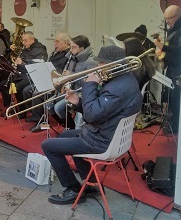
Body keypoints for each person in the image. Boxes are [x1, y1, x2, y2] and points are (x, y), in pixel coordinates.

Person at [41, 45, 142, 205]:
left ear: (114, 64)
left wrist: (90, 85)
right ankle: (92, 184)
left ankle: (73, 189)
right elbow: (100, 111)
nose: (98, 67)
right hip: (107, 132)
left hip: (102, 140)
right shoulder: (125, 79)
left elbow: (92, 115)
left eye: (101, 63)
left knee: (48, 145)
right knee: (66, 136)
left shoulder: (117, 88)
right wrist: (78, 102)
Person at [23, 32, 71, 130]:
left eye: (57, 41)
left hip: (58, 84)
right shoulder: (57, 52)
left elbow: (63, 72)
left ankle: (41, 121)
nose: (54, 43)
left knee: (37, 94)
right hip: (49, 79)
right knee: (27, 90)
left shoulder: (68, 56)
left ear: (65, 43)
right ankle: (35, 115)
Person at [52, 35, 97, 128]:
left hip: (81, 93)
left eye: (73, 47)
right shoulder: (73, 57)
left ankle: (71, 129)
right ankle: (68, 127)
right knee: (48, 105)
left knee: (58, 108)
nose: (70, 50)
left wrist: (71, 75)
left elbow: (91, 83)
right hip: (71, 90)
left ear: (82, 48)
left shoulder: (91, 61)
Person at [0, 31, 47, 117]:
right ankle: (10, 108)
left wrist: (23, 63)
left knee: (17, 86)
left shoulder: (40, 49)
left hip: (32, 75)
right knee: (4, 84)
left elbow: (39, 65)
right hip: (22, 73)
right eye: (23, 40)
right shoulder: (26, 48)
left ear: (32, 40)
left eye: (25, 41)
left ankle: (23, 110)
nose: (23, 43)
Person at [154, 5, 181, 134]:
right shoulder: (172, 28)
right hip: (171, 67)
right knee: (170, 97)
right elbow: (170, 45)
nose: (167, 22)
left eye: (169, 19)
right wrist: (163, 56)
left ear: (177, 16)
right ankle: (172, 123)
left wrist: (163, 47)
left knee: (176, 98)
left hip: (178, 69)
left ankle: (176, 125)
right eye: (165, 19)